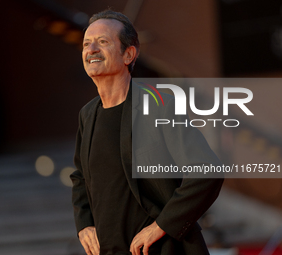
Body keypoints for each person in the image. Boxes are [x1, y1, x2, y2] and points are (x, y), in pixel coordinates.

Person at [70, 10, 223, 255]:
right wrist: (84, 224)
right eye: (87, 44)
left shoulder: (160, 105)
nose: (92, 49)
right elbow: (80, 177)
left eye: (103, 42)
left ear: (129, 54)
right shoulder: (87, 115)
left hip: (162, 249)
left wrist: (162, 225)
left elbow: (207, 170)